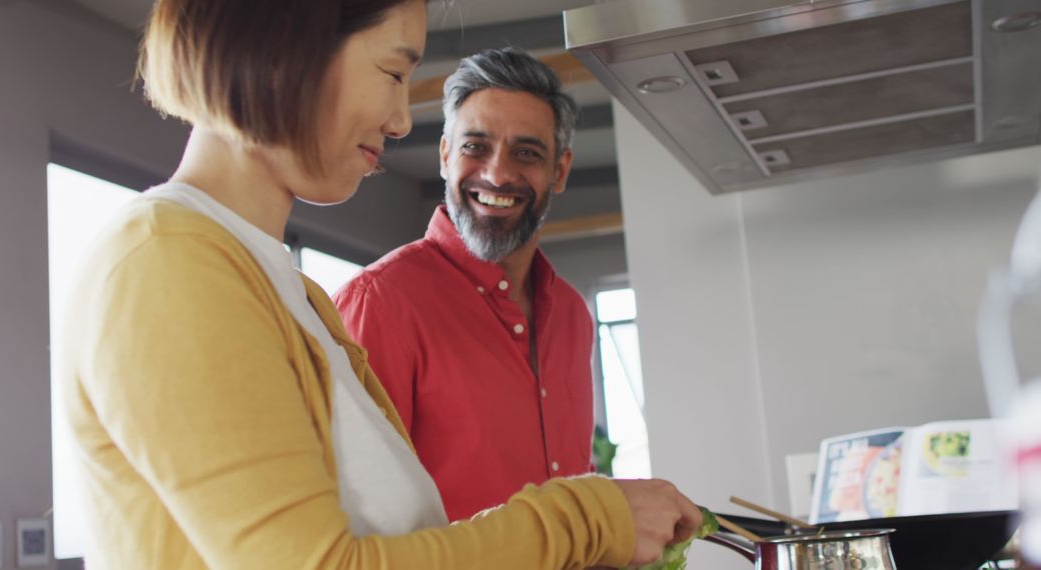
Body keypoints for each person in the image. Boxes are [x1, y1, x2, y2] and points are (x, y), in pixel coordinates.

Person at [54, 0, 703, 568]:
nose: (399, 120)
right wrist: (586, 519)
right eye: (394, 72)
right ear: (288, 47)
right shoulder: (167, 265)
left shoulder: (293, 296)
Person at [334, 47, 598, 522]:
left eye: (527, 153)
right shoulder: (379, 305)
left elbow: (573, 480)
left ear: (559, 170)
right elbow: (356, 522)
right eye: (475, 146)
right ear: (444, 156)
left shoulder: (574, 315)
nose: (497, 173)